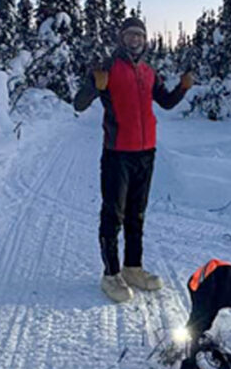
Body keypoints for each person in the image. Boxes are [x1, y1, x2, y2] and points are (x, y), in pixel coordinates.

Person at [74, 17, 194, 302]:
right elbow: (78, 103)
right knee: (113, 215)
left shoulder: (149, 72)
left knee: (136, 215)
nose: (135, 40)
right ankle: (111, 274)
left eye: (139, 36)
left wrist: (183, 88)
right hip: (117, 153)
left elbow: (165, 102)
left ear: (145, 40)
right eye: (129, 36)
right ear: (121, 39)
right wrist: (95, 84)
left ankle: (132, 268)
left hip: (146, 152)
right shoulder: (108, 68)